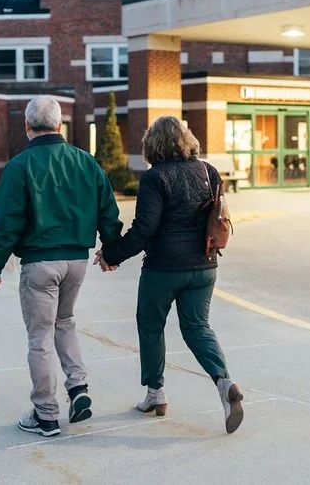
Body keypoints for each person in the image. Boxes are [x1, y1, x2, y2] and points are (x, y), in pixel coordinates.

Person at [0, 95, 123, 438]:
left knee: (40, 336)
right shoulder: (85, 162)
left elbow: (6, 221)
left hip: (39, 263)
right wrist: (111, 251)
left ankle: (45, 414)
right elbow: (108, 210)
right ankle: (78, 389)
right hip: (77, 261)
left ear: (27, 126)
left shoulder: (20, 165)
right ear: (60, 125)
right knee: (65, 321)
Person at [96, 116, 244, 434]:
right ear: (186, 139)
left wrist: (111, 254)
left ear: (153, 145)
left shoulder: (155, 178)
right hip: (205, 266)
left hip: (163, 269)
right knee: (197, 327)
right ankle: (224, 382)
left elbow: (144, 229)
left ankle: (155, 394)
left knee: (150, 327)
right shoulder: (209, 171)